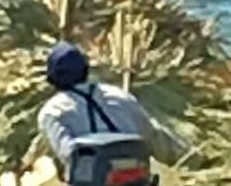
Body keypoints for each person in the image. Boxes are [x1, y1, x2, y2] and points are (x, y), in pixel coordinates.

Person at [37, 42, 181, 186]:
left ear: (53, 78)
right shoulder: (122, 97)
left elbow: (68, 154)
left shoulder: (51, 112)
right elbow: (155, 139)